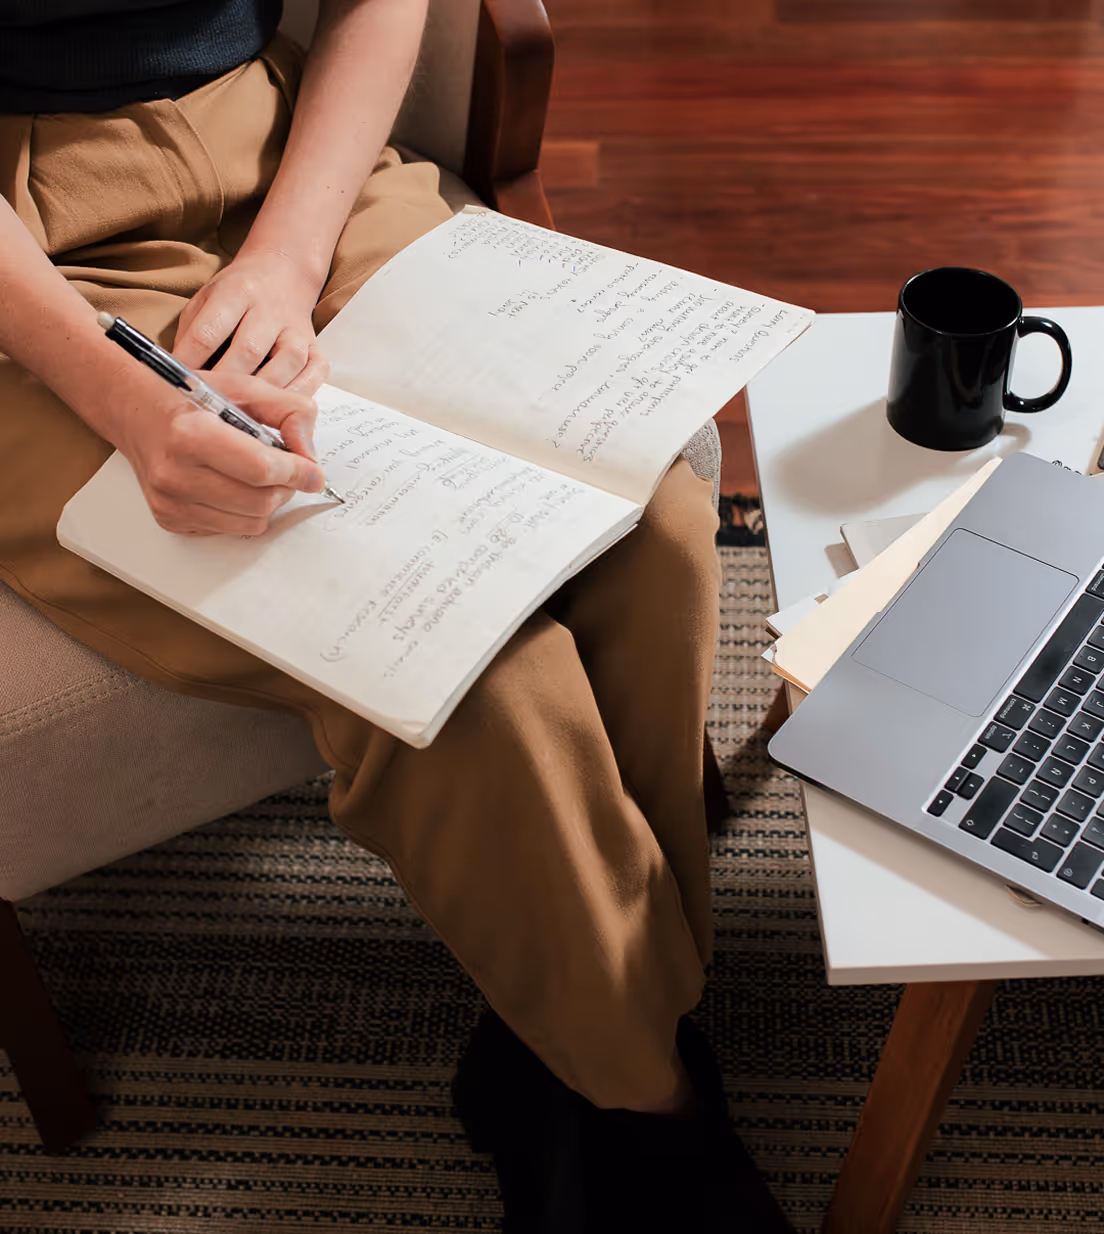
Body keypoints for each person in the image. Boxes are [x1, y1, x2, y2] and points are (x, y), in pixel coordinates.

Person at [0, 1, 792, 1228]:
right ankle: (652, 1103)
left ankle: (572, 1035)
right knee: (469, 678)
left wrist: (287, 254)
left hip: (285, 146)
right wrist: (119, 394)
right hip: (28, 263)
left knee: (662, 531)